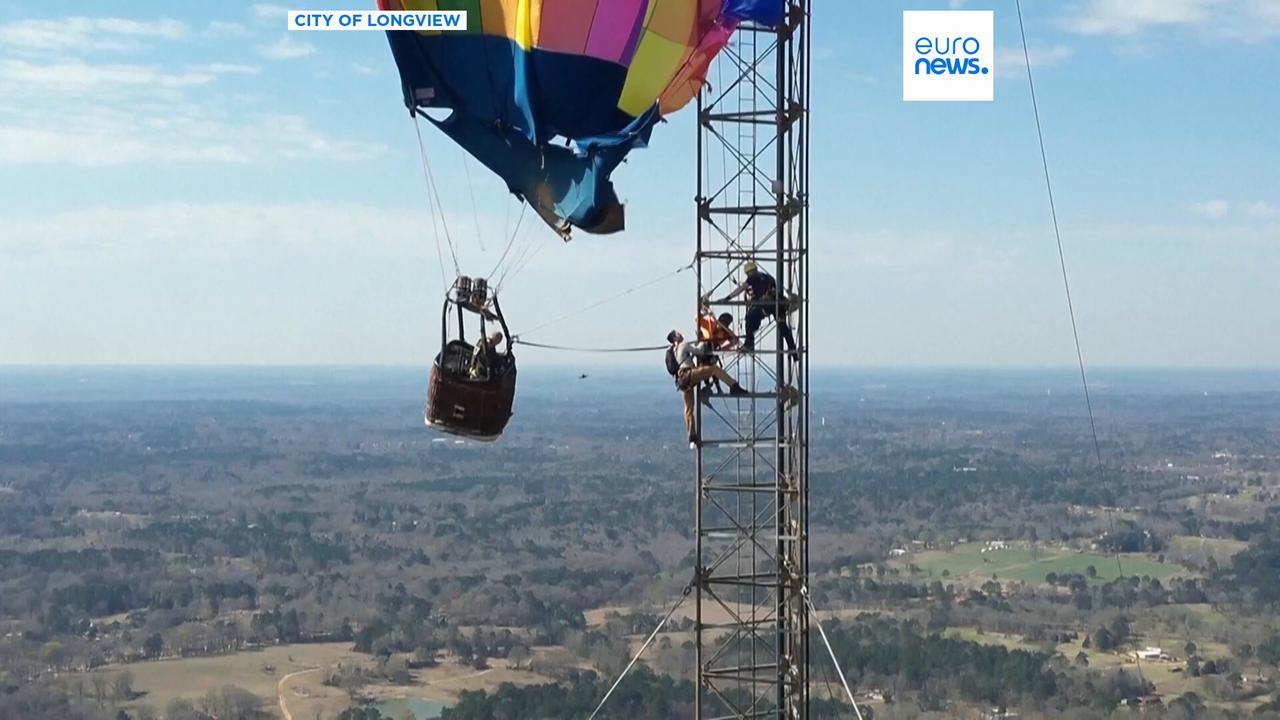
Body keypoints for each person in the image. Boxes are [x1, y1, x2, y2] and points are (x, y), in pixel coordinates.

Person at [666, 330, 746, 445]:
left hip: (682, 380)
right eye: (678, 334)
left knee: (688, 409)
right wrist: (704, 339)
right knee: (714, 369)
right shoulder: (683, 345)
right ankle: (733, 386)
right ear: (674, 338)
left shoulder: (673, 350)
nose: (681, 334)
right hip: (690, 374)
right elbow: (699, 351)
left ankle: (692, 436)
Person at [715, 261, 798, 360]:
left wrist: (727, 298)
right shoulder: (768, 277)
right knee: (784, 328)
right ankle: (793, 351)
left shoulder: (752, 278)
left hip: (766, 304)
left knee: (749, 318)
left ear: (748, 272)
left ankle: (749, 344)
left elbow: (741, 289)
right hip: (778, 304)